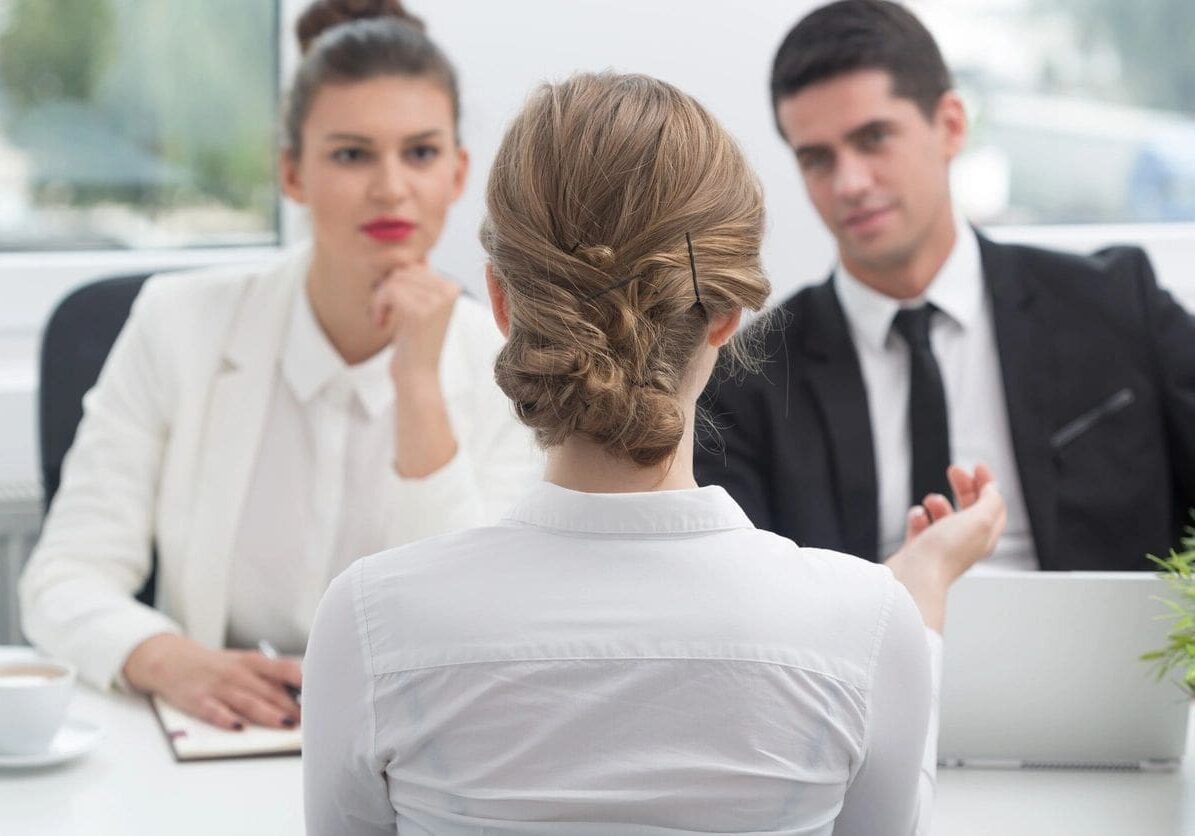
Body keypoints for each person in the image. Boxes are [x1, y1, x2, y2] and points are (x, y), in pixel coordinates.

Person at [302, 71, 1006, 835]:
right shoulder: (865, 624)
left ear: (501, 301)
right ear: (726, 313)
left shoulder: (370, 620)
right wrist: (918, 591)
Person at [19, 0, 538, 731]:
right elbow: (63, 578)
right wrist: (169, 658)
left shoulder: (500, 362)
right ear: (291, 173)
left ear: (457, 174)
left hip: (407, 745)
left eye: (419, 153)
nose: (391, 187)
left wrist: (417, 388)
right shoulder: (179, 323)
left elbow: (478, 622)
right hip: (215, 737)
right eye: (351, 154)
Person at [695, 0, 1195, 572]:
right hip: (863, 654)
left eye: (874, 138)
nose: (850, 183)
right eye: (816, 160)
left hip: (1100, 658)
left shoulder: (1116, 305)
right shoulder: (747, 379)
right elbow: (732, 595)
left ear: (951, 125)